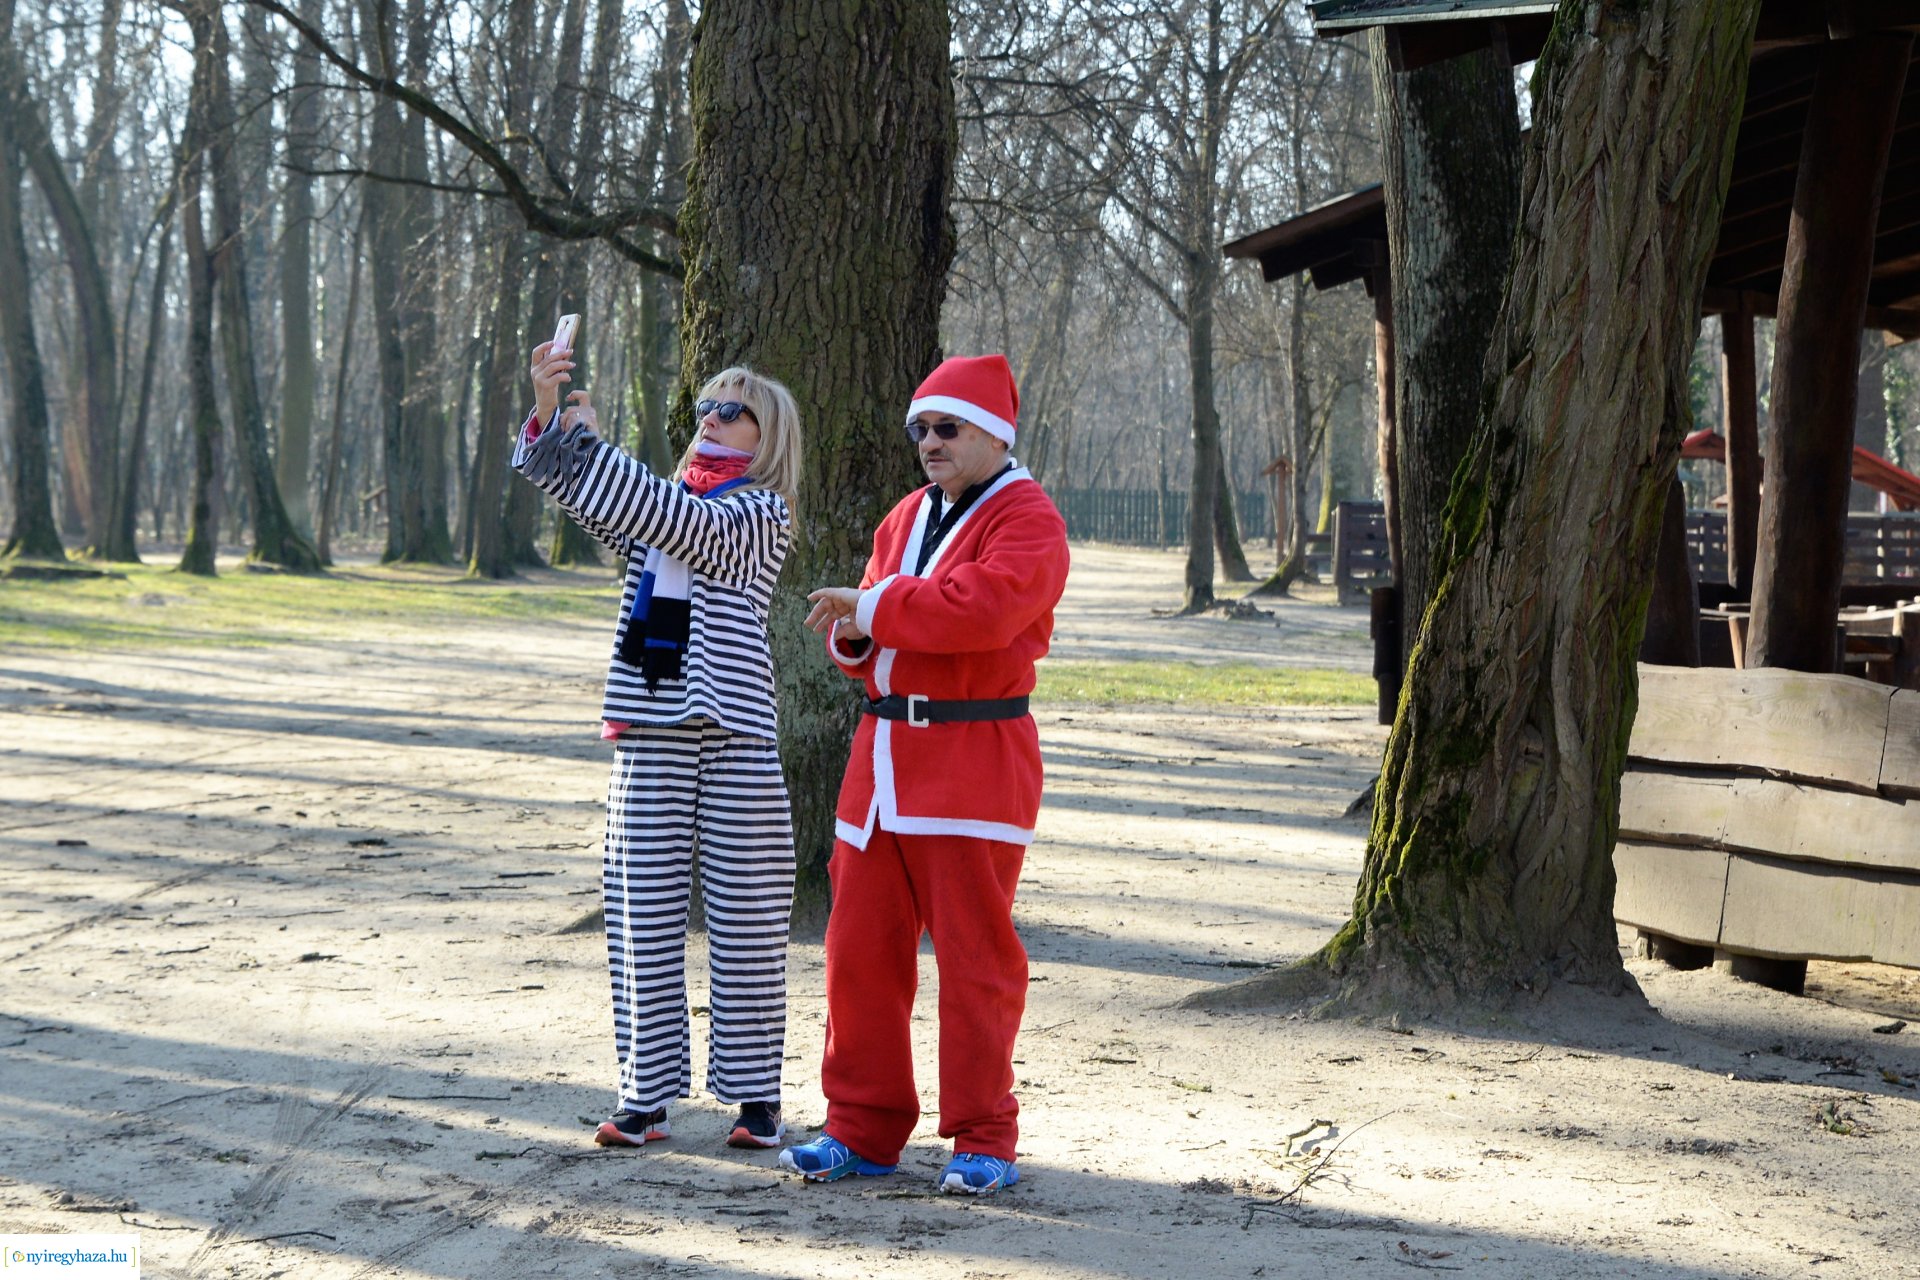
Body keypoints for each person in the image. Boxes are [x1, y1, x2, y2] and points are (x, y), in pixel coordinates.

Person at [785, 354, 1069, 1195]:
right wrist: (854, 635)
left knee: (976, 960)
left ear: (996, 435)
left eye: (948, 427)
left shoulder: (1030, 518)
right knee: (857, 953)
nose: (930, 442)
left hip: (972, 762)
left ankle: (985, 1137)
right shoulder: (907, 513)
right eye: (921, 429)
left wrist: (872, 610)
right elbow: (869, 616)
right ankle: (860, 1127)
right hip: (879, 765)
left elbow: (982, 612)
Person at [516, 337, 802, 1153]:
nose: (711, 417)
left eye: (731, 410)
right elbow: (596, 501)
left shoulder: (759, 513)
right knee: (640, 912)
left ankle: (756, 1096)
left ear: (767, 435)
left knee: (749, 916)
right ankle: (644, 1097)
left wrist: (593, 446)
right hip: (650, 728)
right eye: (706, 406)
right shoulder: (661, 502)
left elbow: (679, 524)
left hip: (738, 735)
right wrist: (552, 418)